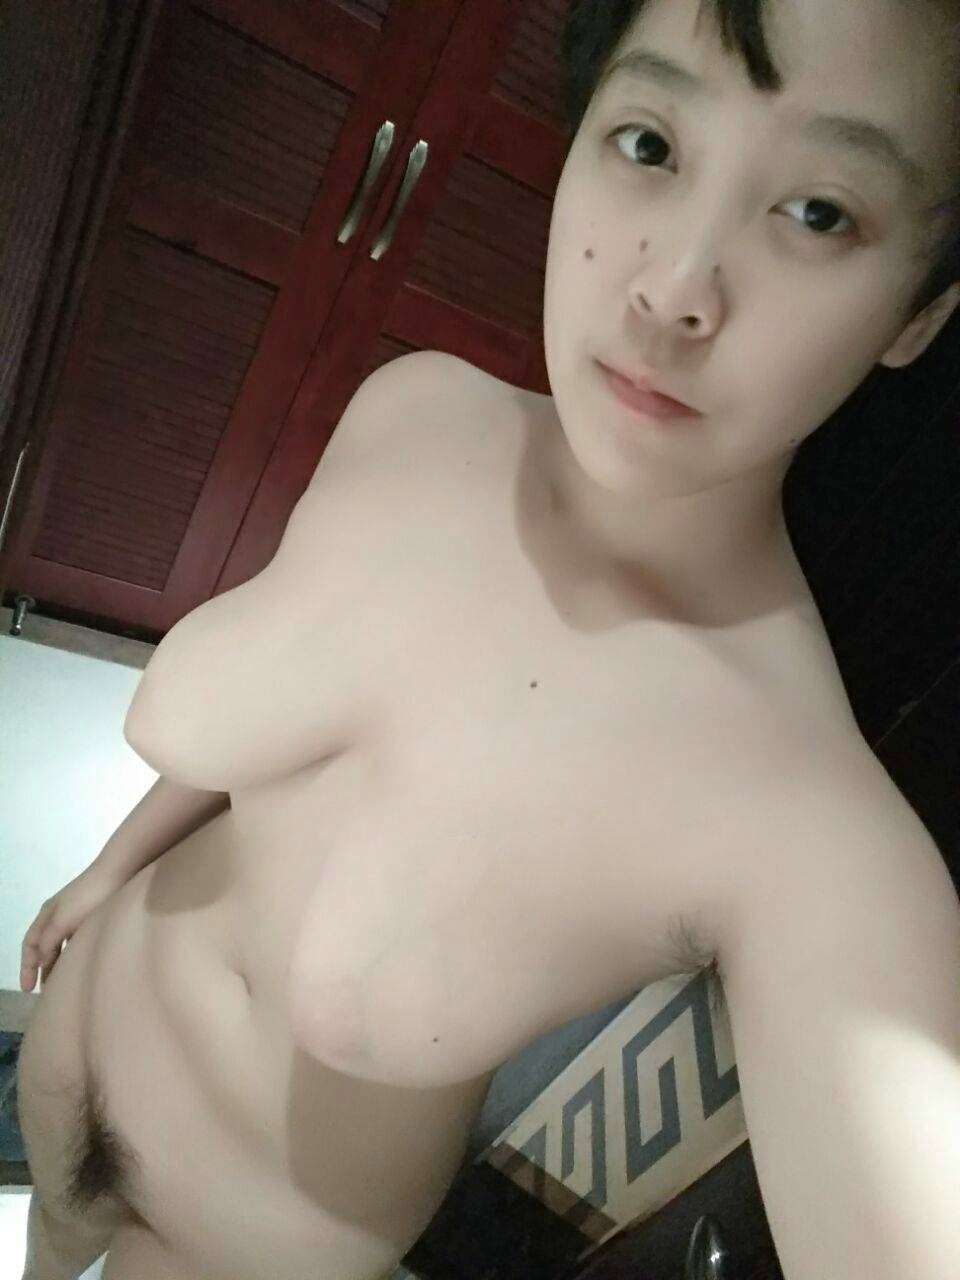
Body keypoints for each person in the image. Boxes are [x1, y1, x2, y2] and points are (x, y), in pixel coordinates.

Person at [16, 0, 960, 1277]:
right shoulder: (416, 407)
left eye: (819, 212)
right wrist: (104, 870)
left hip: (237, 1237)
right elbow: (297, 734)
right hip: (75, 1050)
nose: (673, 289)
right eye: (650, 144)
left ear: (917, 313)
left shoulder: (804, 819)